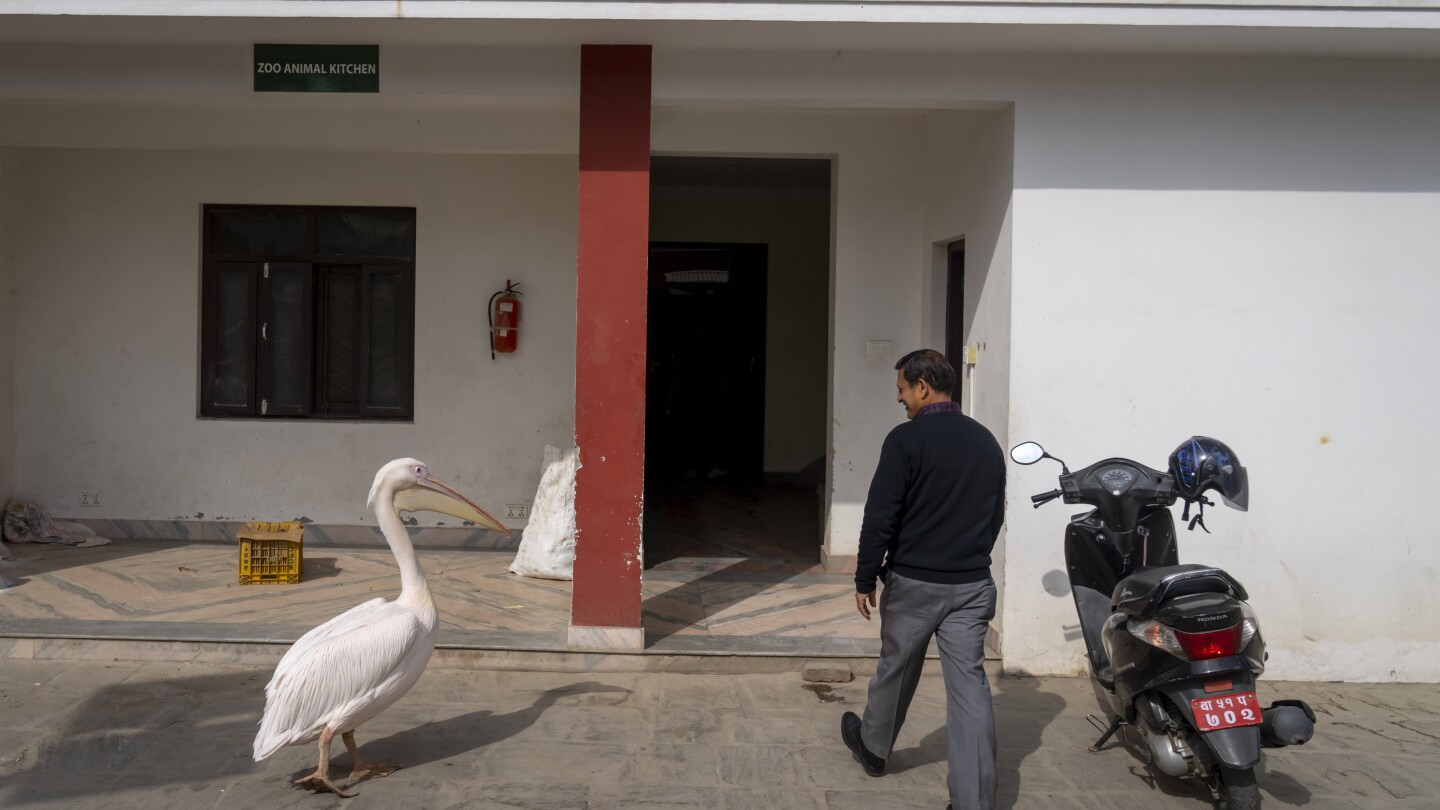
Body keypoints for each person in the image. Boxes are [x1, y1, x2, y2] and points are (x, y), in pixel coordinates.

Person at [840, 348, 1005, 810]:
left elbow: (880, 516)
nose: (901, 400)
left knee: (897, 667)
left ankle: (873, 749)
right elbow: (994, 516)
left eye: (902, 390)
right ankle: (973, 802)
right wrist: (969, 559)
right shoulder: (986, 441)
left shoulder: (906, 440)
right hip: (972, 586)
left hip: (915, 583)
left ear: (923, 387)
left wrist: (865, 577)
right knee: (970, 688)